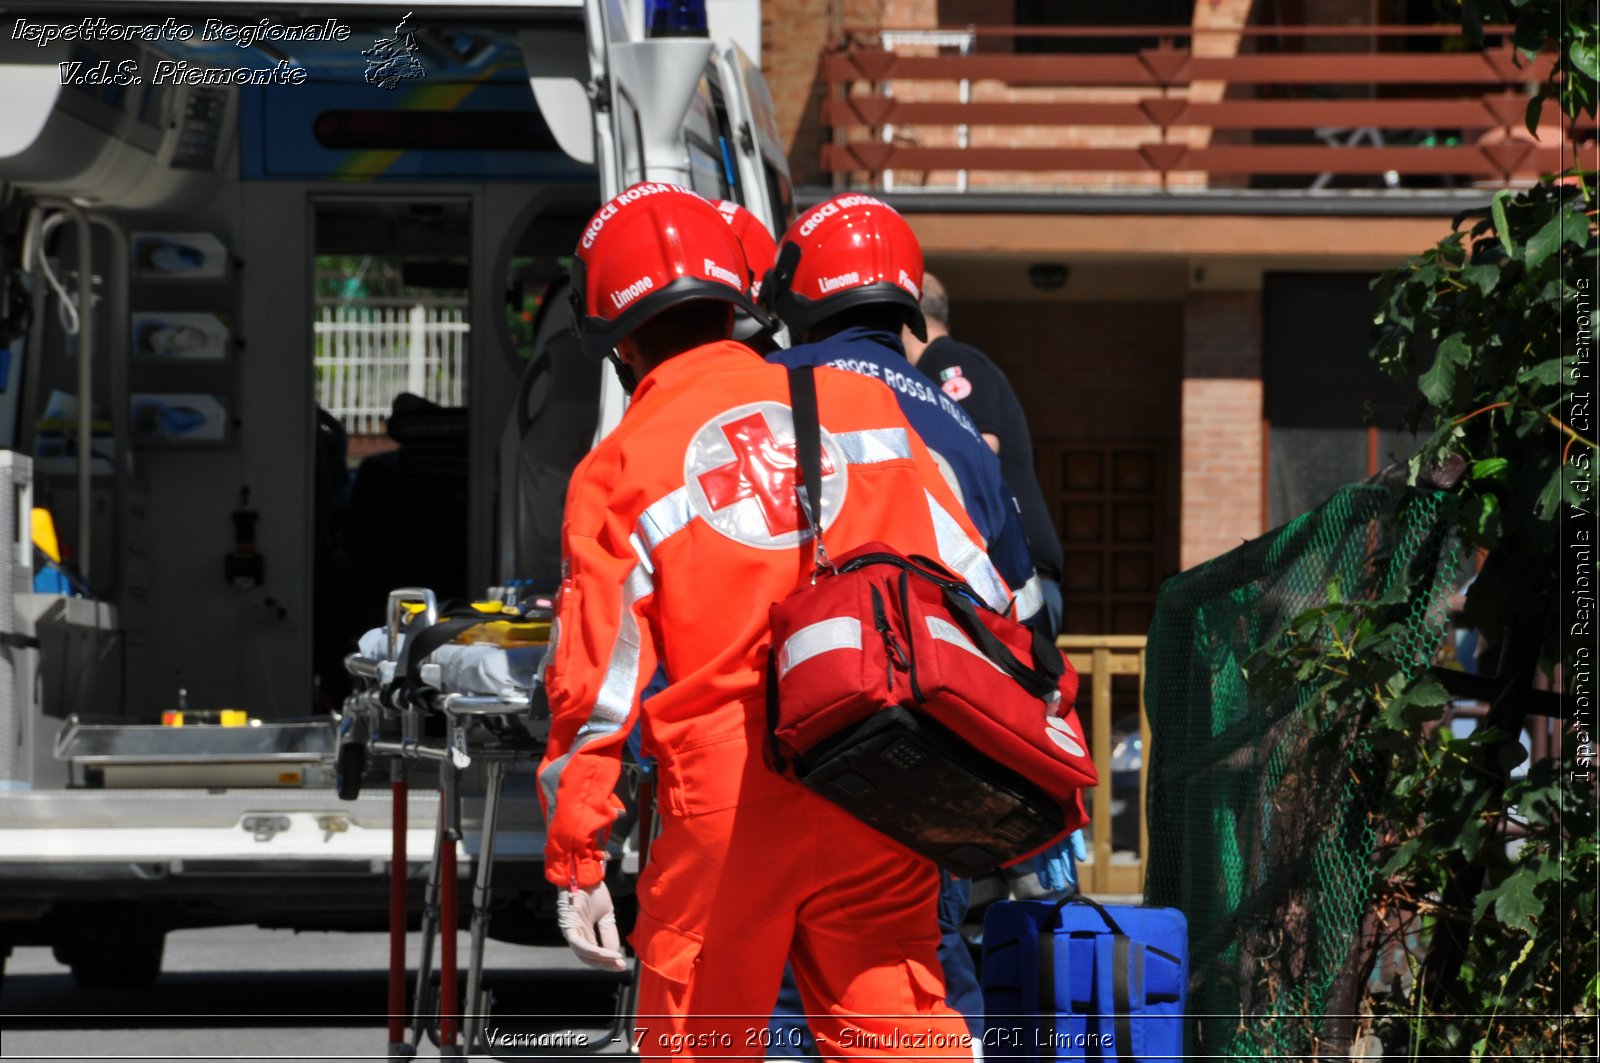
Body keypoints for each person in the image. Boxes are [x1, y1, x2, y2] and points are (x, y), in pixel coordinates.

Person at [537, 183, 996, 1058]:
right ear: (740, 302)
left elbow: (596, 686)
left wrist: (579, 860)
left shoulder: (621, 464)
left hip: (726, 800)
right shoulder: (864, 411)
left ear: (618, 341)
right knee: (901, 1039)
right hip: (873, 770)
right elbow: (978, 587)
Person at [761, 193, 1068, 1051]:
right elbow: (1023, 607)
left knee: (788, 986)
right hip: (916, 752)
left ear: (800, 293)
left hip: (796, 726)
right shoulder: (957, 424)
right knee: (916, 971)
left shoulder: (771, 390)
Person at [902, 272, 1067, 639]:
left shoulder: (946, 360)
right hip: (1015, 579)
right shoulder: (953, 361)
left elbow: (976, 452)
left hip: (1012, 582)